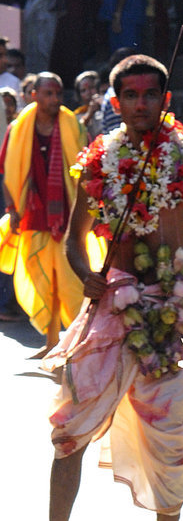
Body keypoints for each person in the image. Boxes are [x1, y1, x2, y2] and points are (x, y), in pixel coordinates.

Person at [15, 56, 183, 521]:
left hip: (167, 315)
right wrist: (86, 276)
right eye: (131, 95)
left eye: (151, 94)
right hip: (109, 313)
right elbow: (77, 243)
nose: (141, 103)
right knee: (68, 431)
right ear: (115, 102)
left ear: (165, 101)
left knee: (170, 441)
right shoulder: (98, 161)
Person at [0, 73, 90, 358]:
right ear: (34, 95)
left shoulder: (73, 126)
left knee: (71, 282)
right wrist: (12, 209)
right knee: (42, 279)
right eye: (48, 94)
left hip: (69, 214)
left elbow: (87, 168)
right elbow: (6, 172)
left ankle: (78, 344)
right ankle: (52, 343)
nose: (54, 100)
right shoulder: (18, 128)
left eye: (58, 94)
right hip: (34, 214)